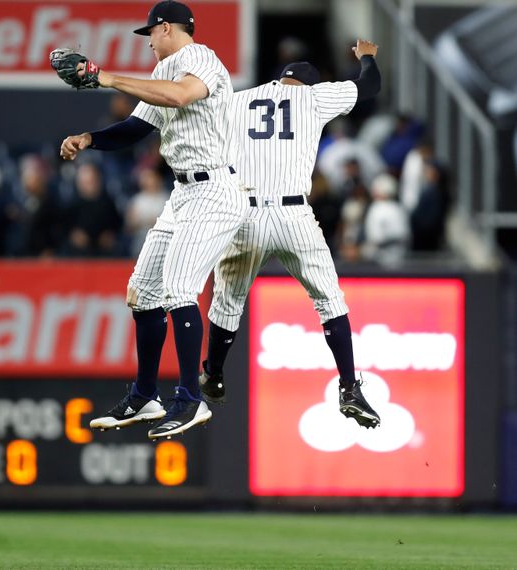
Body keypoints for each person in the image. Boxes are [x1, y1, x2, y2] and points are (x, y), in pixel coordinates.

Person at [59, 0, 249, 439]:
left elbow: (182, 95)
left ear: (166, 29)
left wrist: (104, 77)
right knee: (143, 292)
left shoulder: (197, 58)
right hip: (183, 193)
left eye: (149, 35)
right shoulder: (163, 76)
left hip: (215, 191)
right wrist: (89, 139)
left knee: (180, 288)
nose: (148, 44)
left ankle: (189, 398)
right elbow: (136, 128)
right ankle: (146, 395)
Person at [199, 40, 383, 429]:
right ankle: (349, 385)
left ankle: (213, 373)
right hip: (293, 213)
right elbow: (370, 86)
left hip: (244, 211)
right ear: (309, 83)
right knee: (330, 301)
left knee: (227, 302)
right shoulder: (315, 99)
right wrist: (366, 56)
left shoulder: (237, 99)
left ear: (281, 80)